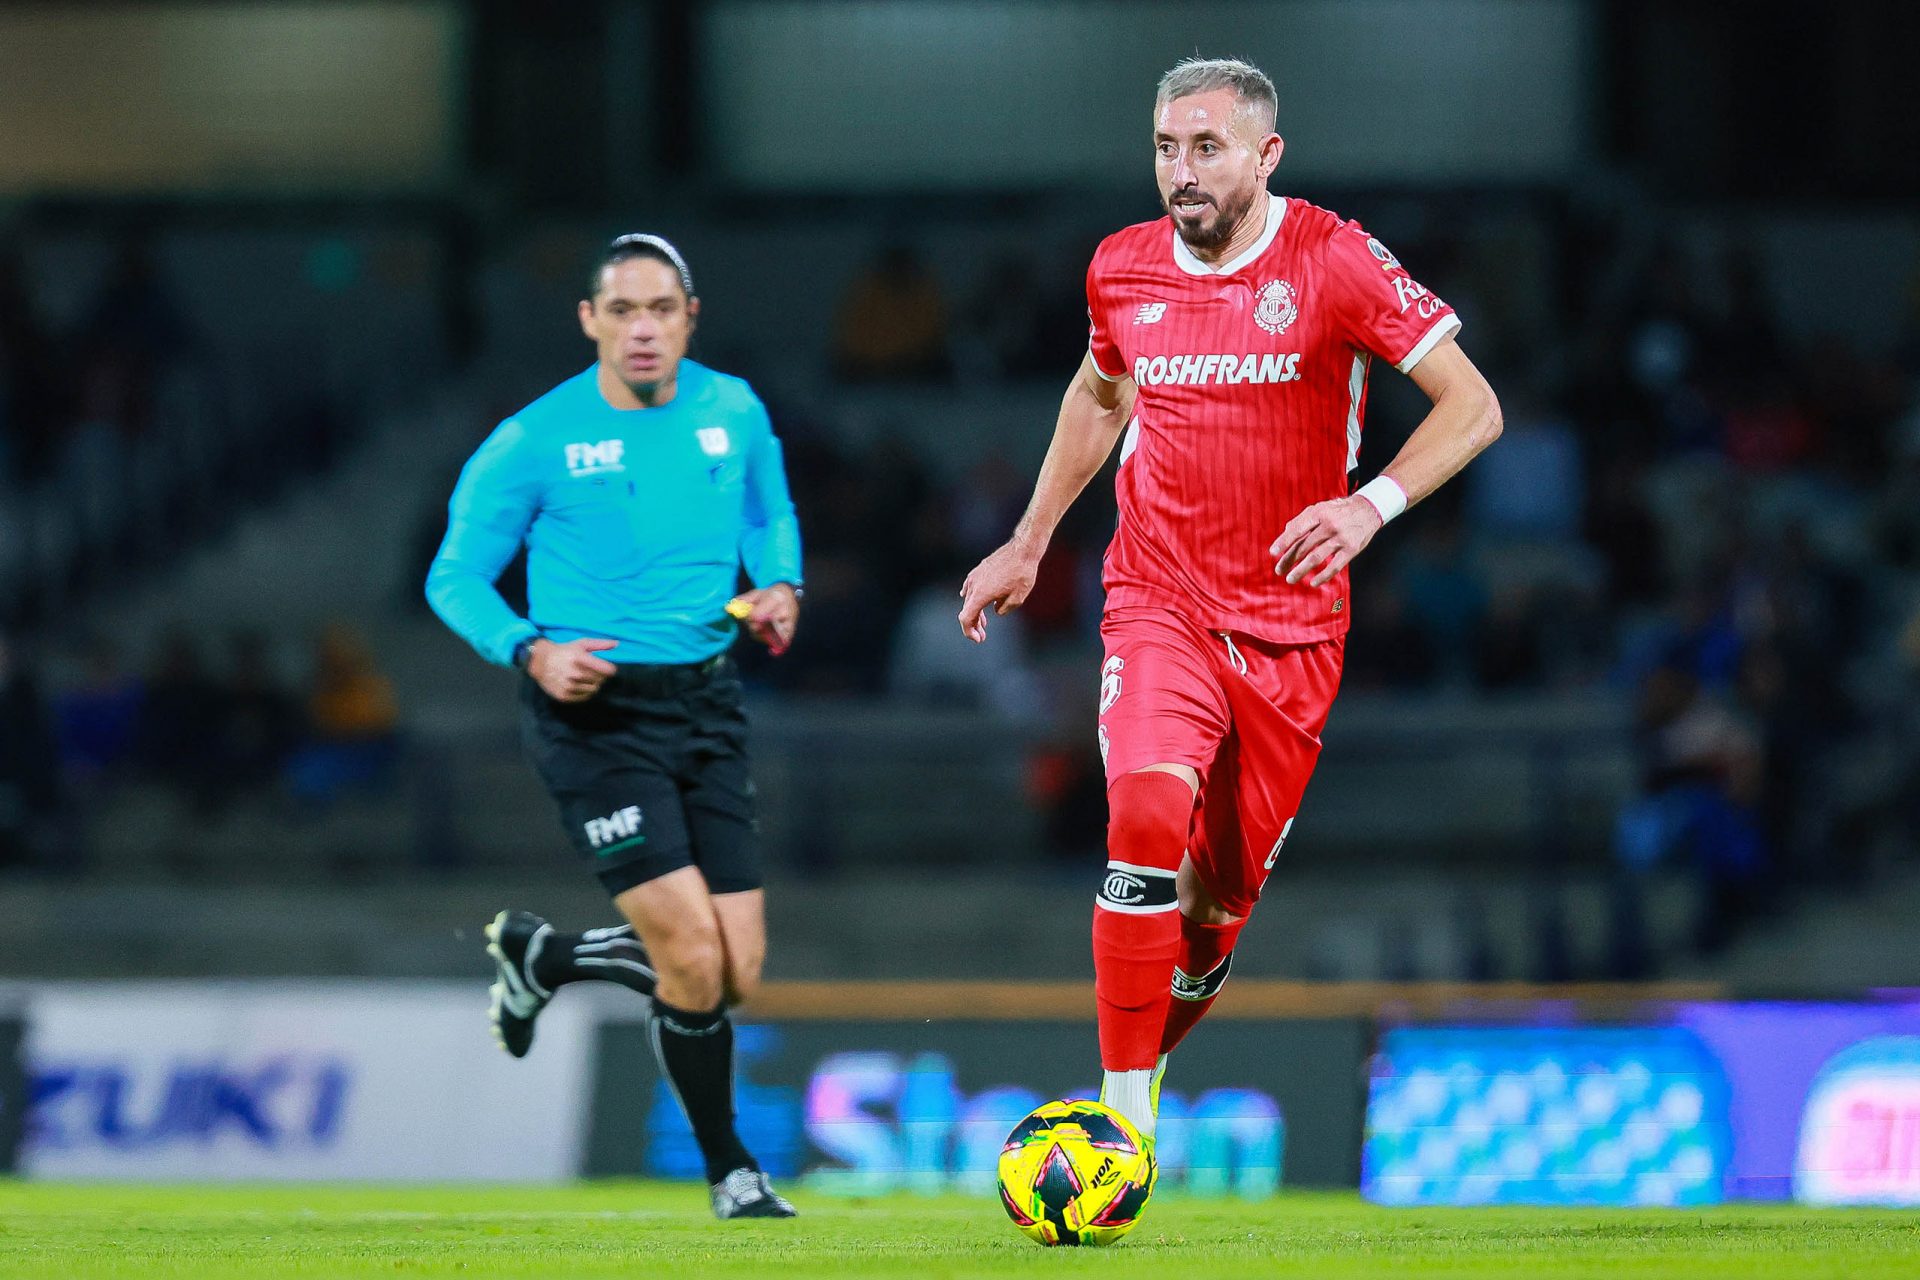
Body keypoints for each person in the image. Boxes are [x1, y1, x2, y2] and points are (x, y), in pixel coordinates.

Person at [957, 58, 1502, 1146]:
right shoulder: (1120, 268)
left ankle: (1142, 1059)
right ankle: (1120, 1119)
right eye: (1166, 147)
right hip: (1157, 596)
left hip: (1293, 628)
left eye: (1206, 147)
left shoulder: (1334, 259)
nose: (1181, 170)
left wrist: (1368, 506)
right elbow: (1100, 389)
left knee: (1212, 916)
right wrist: (1030, 536)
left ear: (1266, 155)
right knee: (1144, 814)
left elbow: (1474, 404)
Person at [426, 233, 803, 1219]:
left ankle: (543, 956)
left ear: (689, 317)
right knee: (689, 959)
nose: (643, 328)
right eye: (622, 310)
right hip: (593, 716)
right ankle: (733, 1171)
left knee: (739, 967)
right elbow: (453, 574)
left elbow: (768, 511)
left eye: (661, 309)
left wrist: (779, 583)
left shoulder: (734, 407)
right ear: (589, 318)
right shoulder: (531, 439)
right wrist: (527, 647)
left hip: (707, 702)